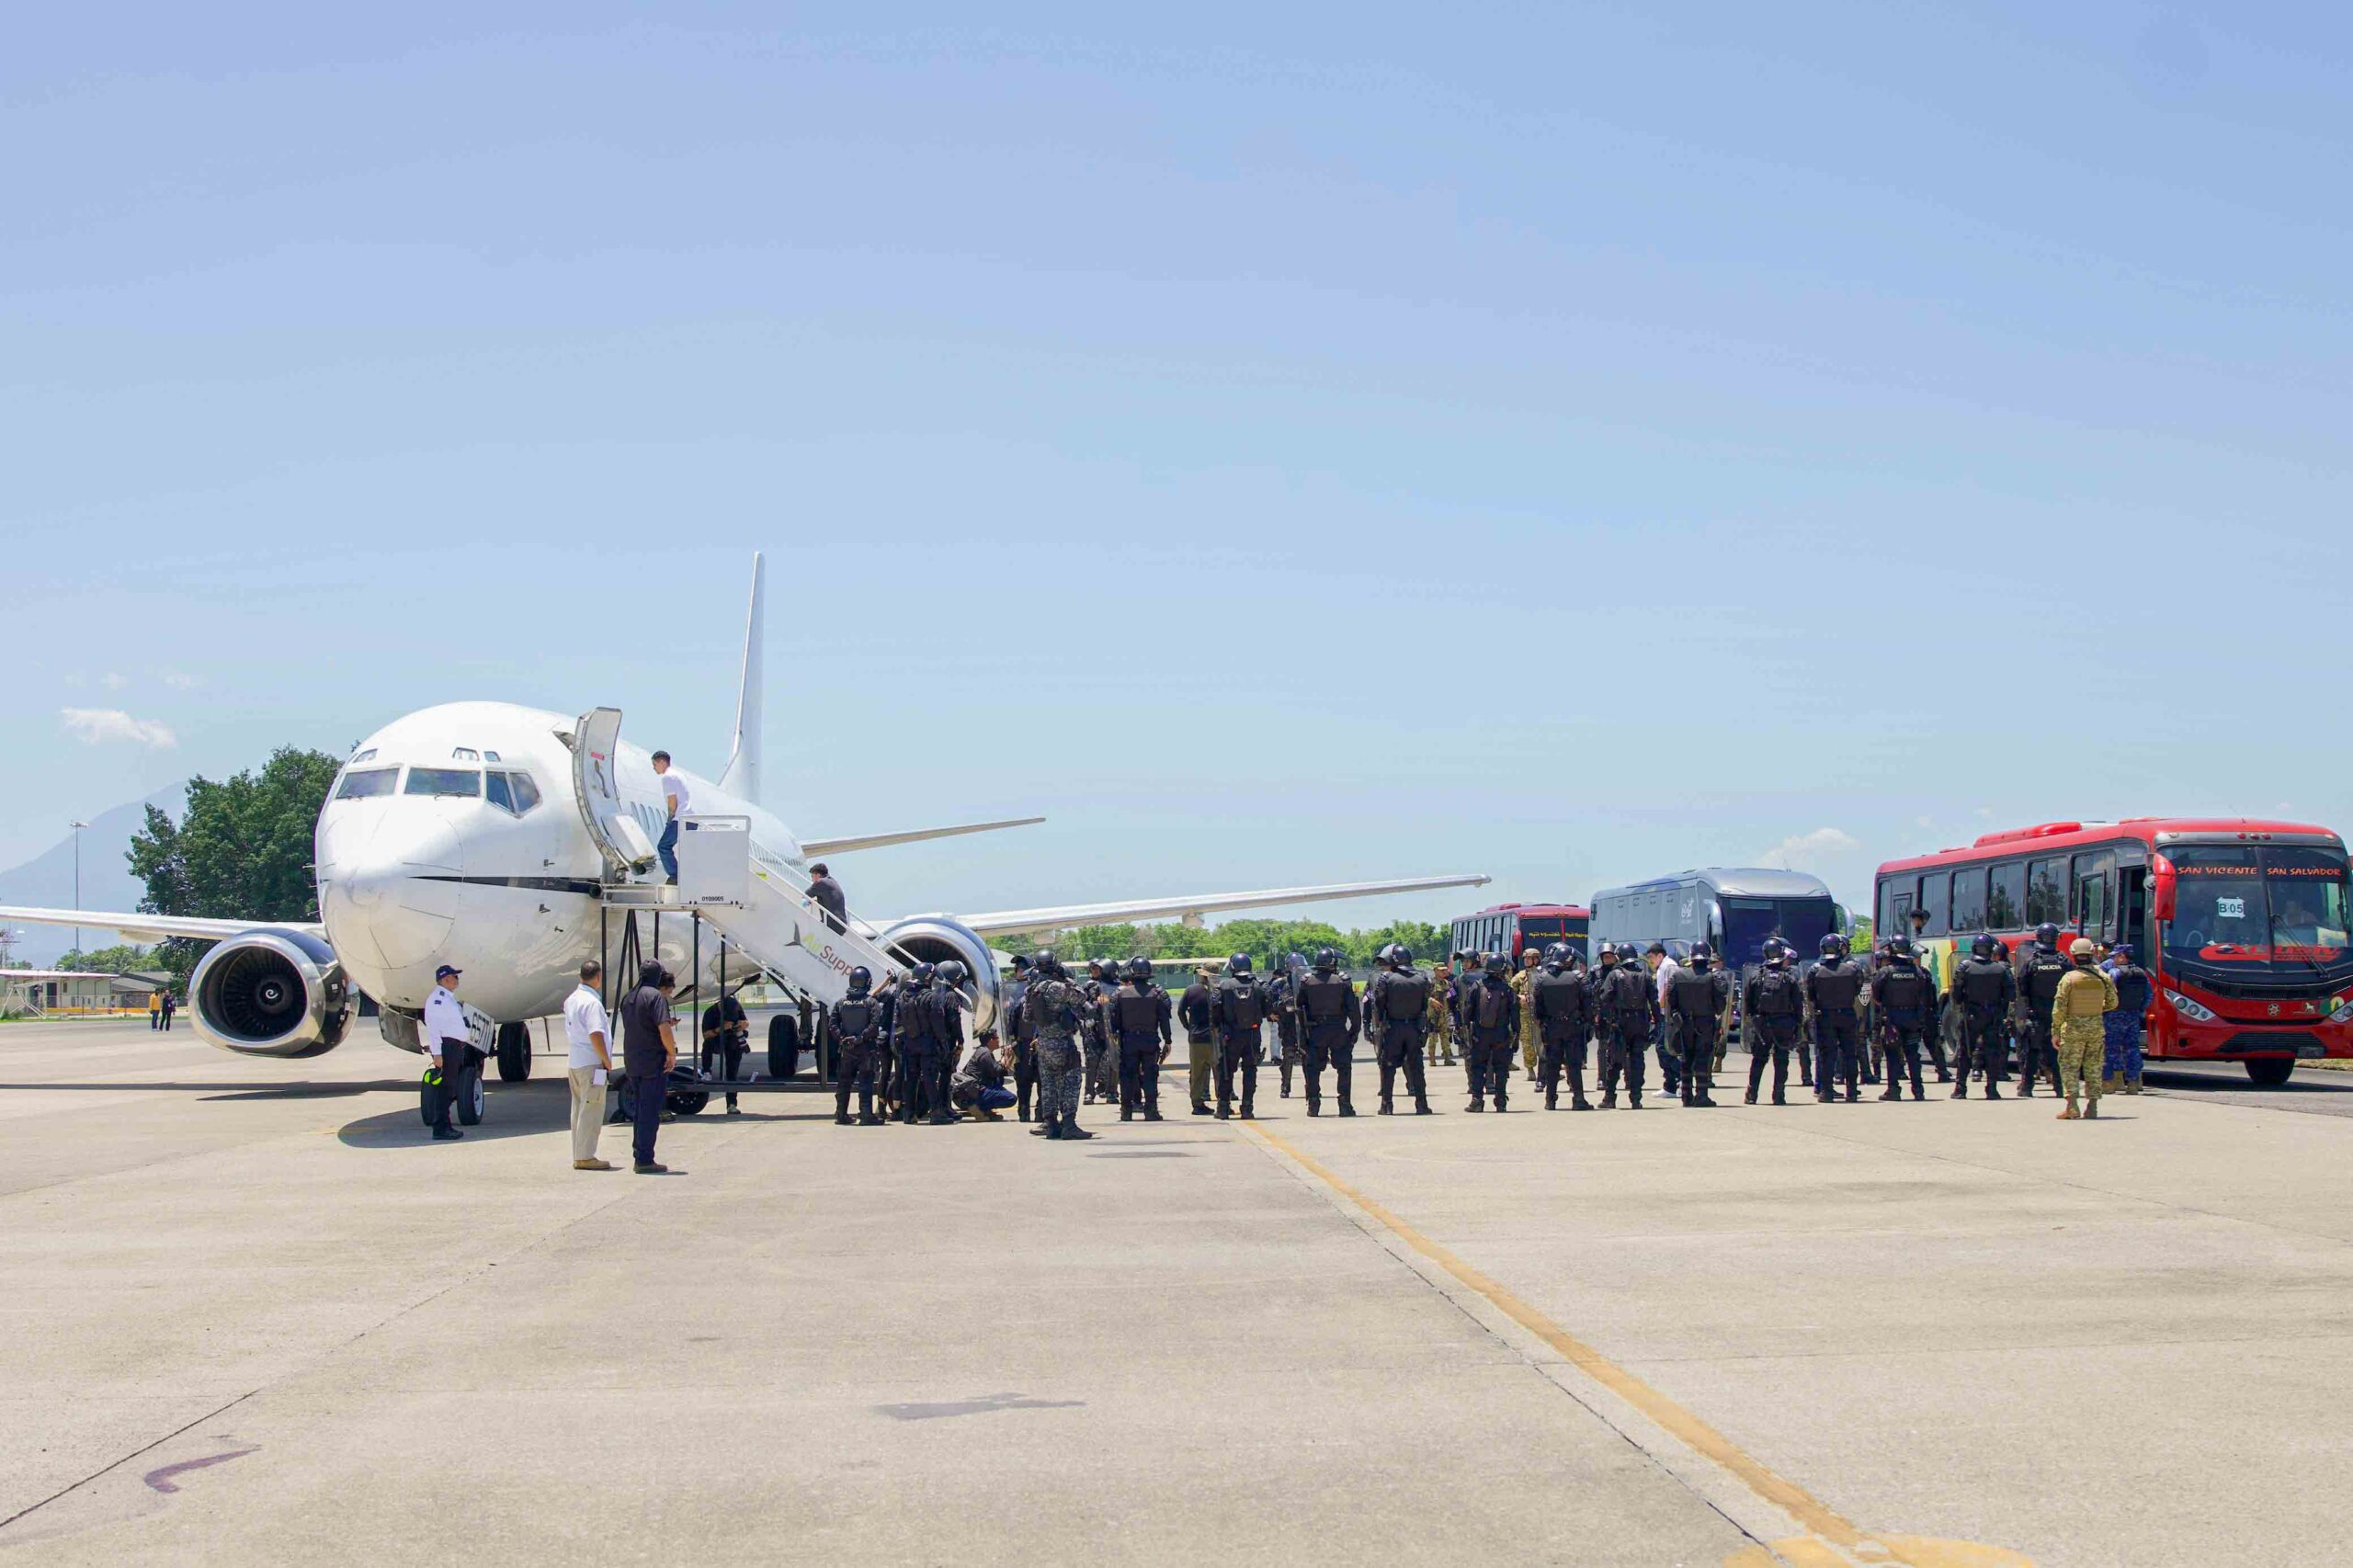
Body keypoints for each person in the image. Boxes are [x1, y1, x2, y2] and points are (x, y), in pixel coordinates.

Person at [1026, 951, 1092, 1141]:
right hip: (1062, 1044)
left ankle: (1052, 1125)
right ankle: (1069, 1125)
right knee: (1071, 1082)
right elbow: (1081, 997)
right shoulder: (1058, 987)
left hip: (1044, 1045)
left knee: (1048, 1085)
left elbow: (1027, 1016)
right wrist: (1067, 981)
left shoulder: (1032, 989)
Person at [621, 962, 679, 1174]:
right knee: (650, 1111)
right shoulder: (655, 997)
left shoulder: (628, 998)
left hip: (632, 1060)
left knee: (640, 1110)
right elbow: (663, 1028)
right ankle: (645, 1159)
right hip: (652, 1062)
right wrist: (671, 1053)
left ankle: (639, 1154)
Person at [2052, 938, 2119, 1119]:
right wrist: (2096, 1010)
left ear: (2073, 956)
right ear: (2092, 955)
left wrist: (2055, 1032)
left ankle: (2072, 1106)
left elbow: (2059, 1008)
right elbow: (2113, 1003)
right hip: (2096, 1028)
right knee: (2094, 1067)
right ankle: (2093, 1107)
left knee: (2070, 1067)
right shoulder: (2104, 977)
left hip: (2072, 1029)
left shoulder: (2068, 979)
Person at [1367, 943, 1435, 1115]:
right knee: (1417, 1068)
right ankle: (1422, 1104)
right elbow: (1425, 1004)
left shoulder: (1386, 978)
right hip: (1414, 1027)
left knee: (1388, 1066)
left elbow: (1379, 1004)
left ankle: (1387, 1105)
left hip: (1393, 1027)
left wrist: (1379, 1024)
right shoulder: (1423, 978)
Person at [1294, 948, 1362, 1117]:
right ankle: (1344, 1104)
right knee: (1344, 1067)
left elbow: (1300, 1007)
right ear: (1332, 963)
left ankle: (1313, 1103)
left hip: (1315, 1030)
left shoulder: (1306, 981)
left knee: (1312, 1069)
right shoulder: (1343, 981)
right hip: (1337, 1028)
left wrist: (1303, 1033)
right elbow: (1353, 1009)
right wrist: (1354, 1031)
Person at [562, 960, 615, 1169]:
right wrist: (607, 1060)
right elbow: (596, 1034)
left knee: (578, 1110)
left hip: (575, 1061)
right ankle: (585, 1156)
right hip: (591, 1062)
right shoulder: (592, 1003)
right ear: (598, 977)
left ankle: (579, 1153)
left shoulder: (571, 999)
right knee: (592, 1110)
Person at [1950, 935, 2018, 1099]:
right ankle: (1992, 1089)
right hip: (1993, 1015)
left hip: (1971, 1015)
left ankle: (1960, 1089)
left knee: (1965, 1052)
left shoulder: (1964, 967)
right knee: (1992, 1052)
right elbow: (2011, 995)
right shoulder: (2002, 969)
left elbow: (1956, 994)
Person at [1531, 943, 1596, 1111]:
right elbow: (1588, 1005)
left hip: (1551, 1027)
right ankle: (1579, 1099)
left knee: (1552, 1064)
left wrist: (1543, 1022)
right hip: (1572, 1027)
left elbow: (1536, 1008)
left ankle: (1550, 1100)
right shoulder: (1578, 978)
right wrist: (1587, 1023)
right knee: (1574, 1064)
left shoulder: (1542, 979)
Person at [1870, 937, 1936, 1101]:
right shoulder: (1918, 972)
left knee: (1892, 1055)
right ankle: (1918, 1090)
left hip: (1892, 1018)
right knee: (1913, 1054)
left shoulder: (1885, 972)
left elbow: (1876, 997)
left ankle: (1893, 1090)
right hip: (1913, 1018)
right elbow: (1925, 996)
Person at [1667, 943, 1732, 1108]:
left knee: (1686, 1058)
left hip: (1684, 1023)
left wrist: (1678, 1017)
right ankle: (1702, 1095)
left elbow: (1671, 1002)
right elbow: (1720, 1004)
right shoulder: (1713, 977)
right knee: (1703, 1058)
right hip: (1705, 1023)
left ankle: (1686, 1096)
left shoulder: (1678, 975)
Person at [1109, 956, 1173, 1122]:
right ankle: (1151, 1111)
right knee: (1150, 1076)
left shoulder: (1120, 993)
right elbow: (1164, 1019)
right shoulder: (1158, 992)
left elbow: (1113, 1020)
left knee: (1127, 1076)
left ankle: (1126, 1111)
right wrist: (1168, 1040)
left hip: (1128, 1040)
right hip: (1149, 1040)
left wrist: (1115, 1036)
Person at [1804, 934, 1865, 1104]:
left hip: (1825, 1015)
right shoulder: (1853, 969)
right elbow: (1857, 990)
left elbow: (1810, 994)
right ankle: (1851, 1091)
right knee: (1850, 1054)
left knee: (1826, 1055)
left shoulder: (1815, 970)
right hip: (1847, 1013)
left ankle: (1827, 1091)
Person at [1742, 940, 1804, 1106]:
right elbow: (1798, 1005)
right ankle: (1779, 1095)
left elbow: (1747, 1003)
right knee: (1782, 1059)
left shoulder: (1756, 977)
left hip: (1762, 1024)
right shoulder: (1789, 978)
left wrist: (1752, 1021)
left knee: (1758, 1060)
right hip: (1783, 1023)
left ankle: (1751, 1094)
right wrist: (1798, 1025)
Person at [1211, 954, 1270, 1119]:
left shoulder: (1224, 986)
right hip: (1252, 1034)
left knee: (1226, 1072)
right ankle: (1247, 1108)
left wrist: (1221, 1028)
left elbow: (1215, 1011)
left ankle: (1223, 1108)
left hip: (1230, 1034)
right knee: (1250, 1071)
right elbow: (1267, 1010)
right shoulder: (1258, 986)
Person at [1597, 944, 1655, 1108]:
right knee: (1637, 1061)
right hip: (1640, 1023)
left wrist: (1603, 1021)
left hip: (1620, 1023)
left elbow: (1604, 999)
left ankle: (1610, 1097)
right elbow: (1654, 1003)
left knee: (1614, 1061)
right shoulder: (1645, 976)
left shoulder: (1615, 975)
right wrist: (1657, 1023)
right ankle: (1636, 1099)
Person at [2015, 924, 2070, 1097]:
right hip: (2058, 1014)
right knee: (2057, 1052)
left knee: (2031, 1052)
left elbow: (2022, 987)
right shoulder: (2064, 961)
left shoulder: (2031, 962)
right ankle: (2060, 1089)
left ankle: (2026, 1088)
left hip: (2036, 1014)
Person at [829, 966, 887, 1126]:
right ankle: (866, 1114)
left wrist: (843, 1038)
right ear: (867, 982)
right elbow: (875, 1025)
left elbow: (832, 1024)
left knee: (844, 1083)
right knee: (866, 1082)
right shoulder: (871, 1002)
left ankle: (841, 1114)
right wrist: (860, 1038)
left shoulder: (841, 1002)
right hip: (866, 1049)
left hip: (847, 1049)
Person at [1461, 955, 1518, 1112]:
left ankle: (1477, 1100)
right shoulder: (1507, 989)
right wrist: (1516, 1036)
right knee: (1501, 1068)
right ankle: (1501, 1101)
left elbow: (1467, 1013)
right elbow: (1514, 1016)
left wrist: (1467, 1032)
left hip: (1480, 1035)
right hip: (1501, 1035)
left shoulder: (1476, 986)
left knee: (1478, 1067)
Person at [422, 962, 472, 1142]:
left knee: (449, 1088)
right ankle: (441, 1127)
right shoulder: (437, 1000)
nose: (457, 980)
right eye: (455, 977)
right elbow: (434, 1028)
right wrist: (437, 1053)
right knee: (445, 1089)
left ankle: (445, 1125)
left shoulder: (448, 998)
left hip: (454, 1046)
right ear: (446, 979)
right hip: (446, 1047)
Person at [923, 960, 970, 1125]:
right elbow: (954, 1021)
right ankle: (943, 1106)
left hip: (936, 1041)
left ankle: (944, 1106)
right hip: (947, 1041)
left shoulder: (935, 994)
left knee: (942, 1075)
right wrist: (961, 1041)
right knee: (945, 1075)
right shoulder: (951, 996)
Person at [891, 961, 938, 1122]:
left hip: (909, 1043)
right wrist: (943, 1042)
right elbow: (937, 1022)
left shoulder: (903, 996)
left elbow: (897, 1022)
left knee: (910, 1080)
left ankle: (908, 1114)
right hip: (927, 1043)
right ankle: (936, 1114)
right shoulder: (930, 997)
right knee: (929, 1078)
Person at [2104, 944, 2152, 1094]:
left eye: (2116, 956)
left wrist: (2104, 1010)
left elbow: (2108, 993)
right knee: (2132, 1049)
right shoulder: (2141, 973)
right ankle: (2133, 1084)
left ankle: (2112, 1083)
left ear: (2123, 957)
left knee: (2111, 1049)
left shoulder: (2114, 972)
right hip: (2133, 1016)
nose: (2113, 959)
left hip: (2114, 1015)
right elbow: (2149, 995)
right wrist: (2139, 1010)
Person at [701, 987, 751, 1115]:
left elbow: (745, 1021)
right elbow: (706, 1035)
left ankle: (731, 1104)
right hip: (717, 1039)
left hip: (733, 1040)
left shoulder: (736, 1007)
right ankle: (707, 1071)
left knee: (732, 1074)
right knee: (707, 1045)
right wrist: (720, 1028)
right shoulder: (711, 1013)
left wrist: (743, 1024)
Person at [1004, 954, 1040, 1122]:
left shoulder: (1040, 994)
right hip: (1023, 1043)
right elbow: (1010, 1020)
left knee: (1042, 1080)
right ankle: (1024, 1112)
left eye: (1023, 968)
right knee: (1023, 1082)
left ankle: (1041, 1112)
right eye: (1018, 969)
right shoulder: (1012, 991)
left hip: (1040, 1044)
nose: (1020, 971)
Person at [952, 1027, 1017, 1120]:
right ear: (990, 1040)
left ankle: (984, 1108)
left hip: (971, 1092)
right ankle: (980, 1107)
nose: (999, 1040)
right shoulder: (985, 1054)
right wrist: (1006, 1056)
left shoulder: (981, 1051)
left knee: (998, 1081)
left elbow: (998, 1072)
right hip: (974, 1093)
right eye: (996, 1038)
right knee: (1011, 1098)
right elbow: (1000, 1071)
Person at [1179, 965, 1218, 1116]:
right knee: (1219, 1072)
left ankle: (1197, 1103)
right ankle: (1223, 1103)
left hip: (1196, 1038)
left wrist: (1188, 1027)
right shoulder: (1219, 990)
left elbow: (1180, 1010)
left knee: (1197, 1073)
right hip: (1215, 1037)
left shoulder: (1191, 990)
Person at [1645, 942, 1682, 1097]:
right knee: (1664, 1047)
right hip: (1662, 1013)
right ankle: (1670, 1086)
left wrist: (1660, 1004)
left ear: (1660, 955)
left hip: (1667, 1014)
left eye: (1652, 958)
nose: (1651, 961)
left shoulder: (1669, 966)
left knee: (1664, 1047)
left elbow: (1668, 988)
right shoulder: (1664, 967)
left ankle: (1681, 1077)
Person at [1081, 960, 1118, 1108]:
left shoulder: (1116, 986)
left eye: (1099, 969)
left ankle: (1112, 1092)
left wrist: (1110, 1002)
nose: (1096, 971)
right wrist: (1093, 1005)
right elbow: (1081, 1002)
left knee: (1113, 1061)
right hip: (1095, 1028)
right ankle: (1089, 1092)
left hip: (1112, 1029)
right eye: (1094, 968)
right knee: (1092, 1062)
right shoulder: (1089, 986)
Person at [1269, 956, 1304, 1098]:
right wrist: (1277, 1010)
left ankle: (1313, 1087)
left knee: (1308, 1057)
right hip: (1288, 1023)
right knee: (1288, 1055)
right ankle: (1285, 1087)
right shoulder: (1279, 983)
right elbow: (1269, 1001)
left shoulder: (1306, 981)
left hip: (1303, 1023)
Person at [651, 750, 688, 883]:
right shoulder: (679, 775)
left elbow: (672, 801)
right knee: (685, 851)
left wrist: (669, 820)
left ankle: (676, 876)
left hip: (680, 818)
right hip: (690, 818)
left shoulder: (667, 777)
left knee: (663, 846)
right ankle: (683, 875)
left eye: (655, 764)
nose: (654, 768)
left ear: (662, 762)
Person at [1514, 949, 1543, 1085]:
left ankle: (1546, 1070)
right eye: (1525, 958)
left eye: (1529, 958)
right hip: (1525, 1015)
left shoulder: (1543, 975)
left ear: (1536, 959)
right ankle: (1531, 1071)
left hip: (1541, 1013)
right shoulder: (1519, 977)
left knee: (1543, 1043)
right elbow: (1509, 991)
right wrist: (1518, 997)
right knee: (1527, 1043)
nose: (1526, 960)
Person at [1427, 960, 1457, 1066]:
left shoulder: (1448, 983)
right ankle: (1432, 1059)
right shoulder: (1429, 983)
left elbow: (1453, 997)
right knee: (1432, 1038)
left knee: (1445, 1037)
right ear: (1435, 971)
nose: (1444, 972)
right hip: (1433, 1015)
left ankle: (1447, 1058)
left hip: (1444, 1015)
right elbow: (1423, 996)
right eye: (1441, 970)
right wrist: (1431, 1000)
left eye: (1445, 970)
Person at [806, 861, 847, 932]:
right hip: (841, 924)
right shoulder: (832, 881)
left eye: (812, 877)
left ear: (817, 875)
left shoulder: (821, 882)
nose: (812, 880)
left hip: (831, 924)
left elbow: (805, 896)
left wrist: (806, 903)